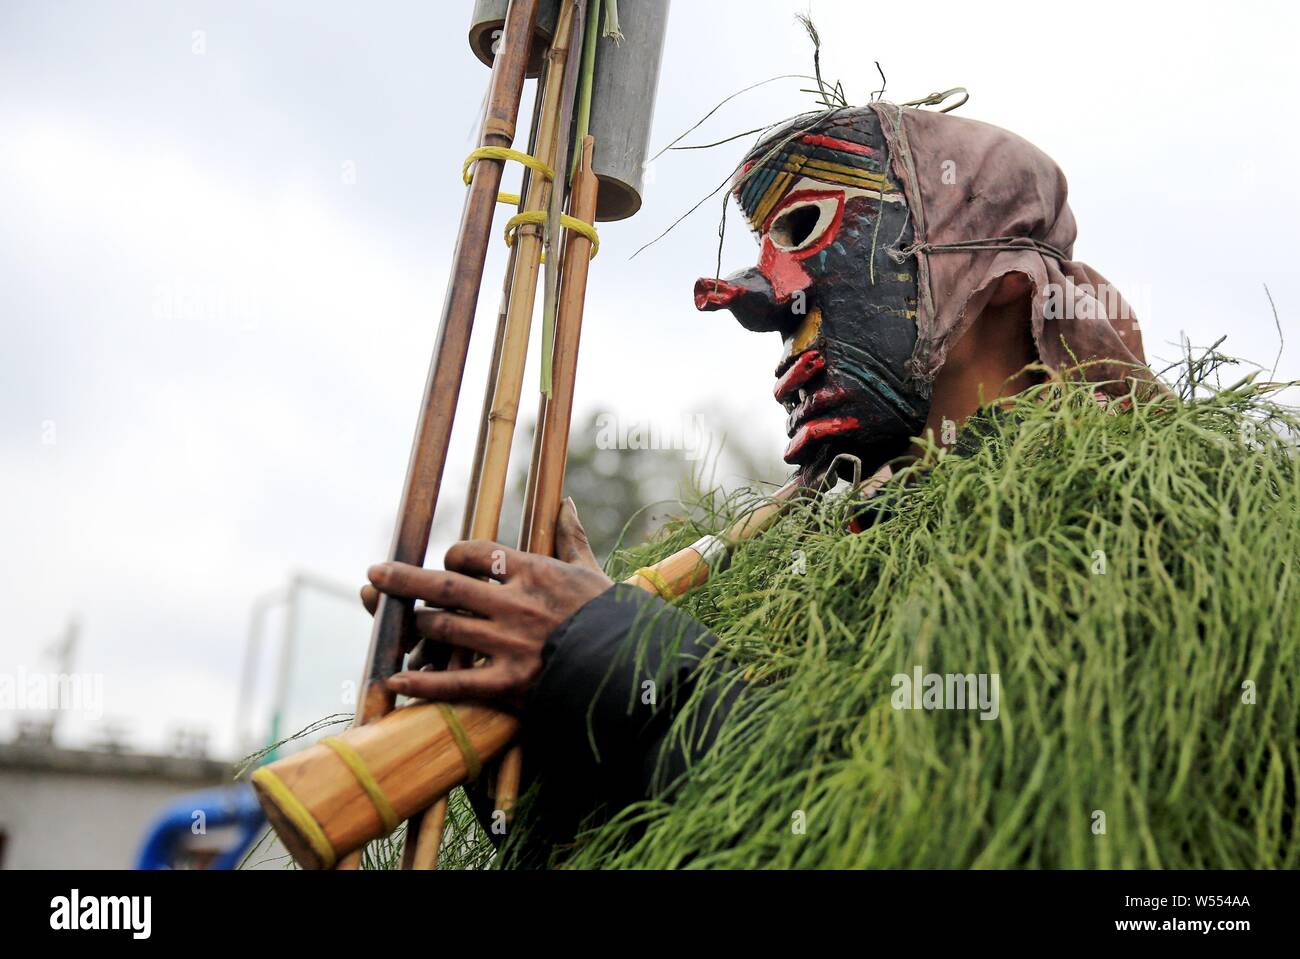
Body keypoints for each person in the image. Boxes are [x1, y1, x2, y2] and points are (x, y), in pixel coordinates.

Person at [359, 102, 1153, 844]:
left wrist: (639, 669)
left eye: (808, 229)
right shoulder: (809, 574)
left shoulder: (1128, 536)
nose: (747, 298)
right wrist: (556, 711)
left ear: (1000, 289)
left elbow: (929, 830)